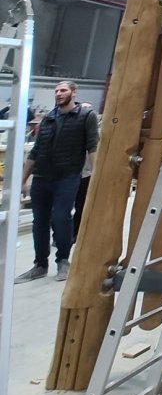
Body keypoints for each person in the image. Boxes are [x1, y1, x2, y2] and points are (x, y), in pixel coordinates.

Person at [15, 80, 99, 283]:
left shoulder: (86, 116)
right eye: (56, 91)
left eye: (63, 90)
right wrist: (22, 180)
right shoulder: (48, 119)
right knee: (39, 222)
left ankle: (62, 260)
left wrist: (96, 176)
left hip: (67, 176)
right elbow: (36, 151)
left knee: (61, 218)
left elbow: (92, 146)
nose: (59, 94)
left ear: (74, 92)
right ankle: (40, 265)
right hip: (42, 177)